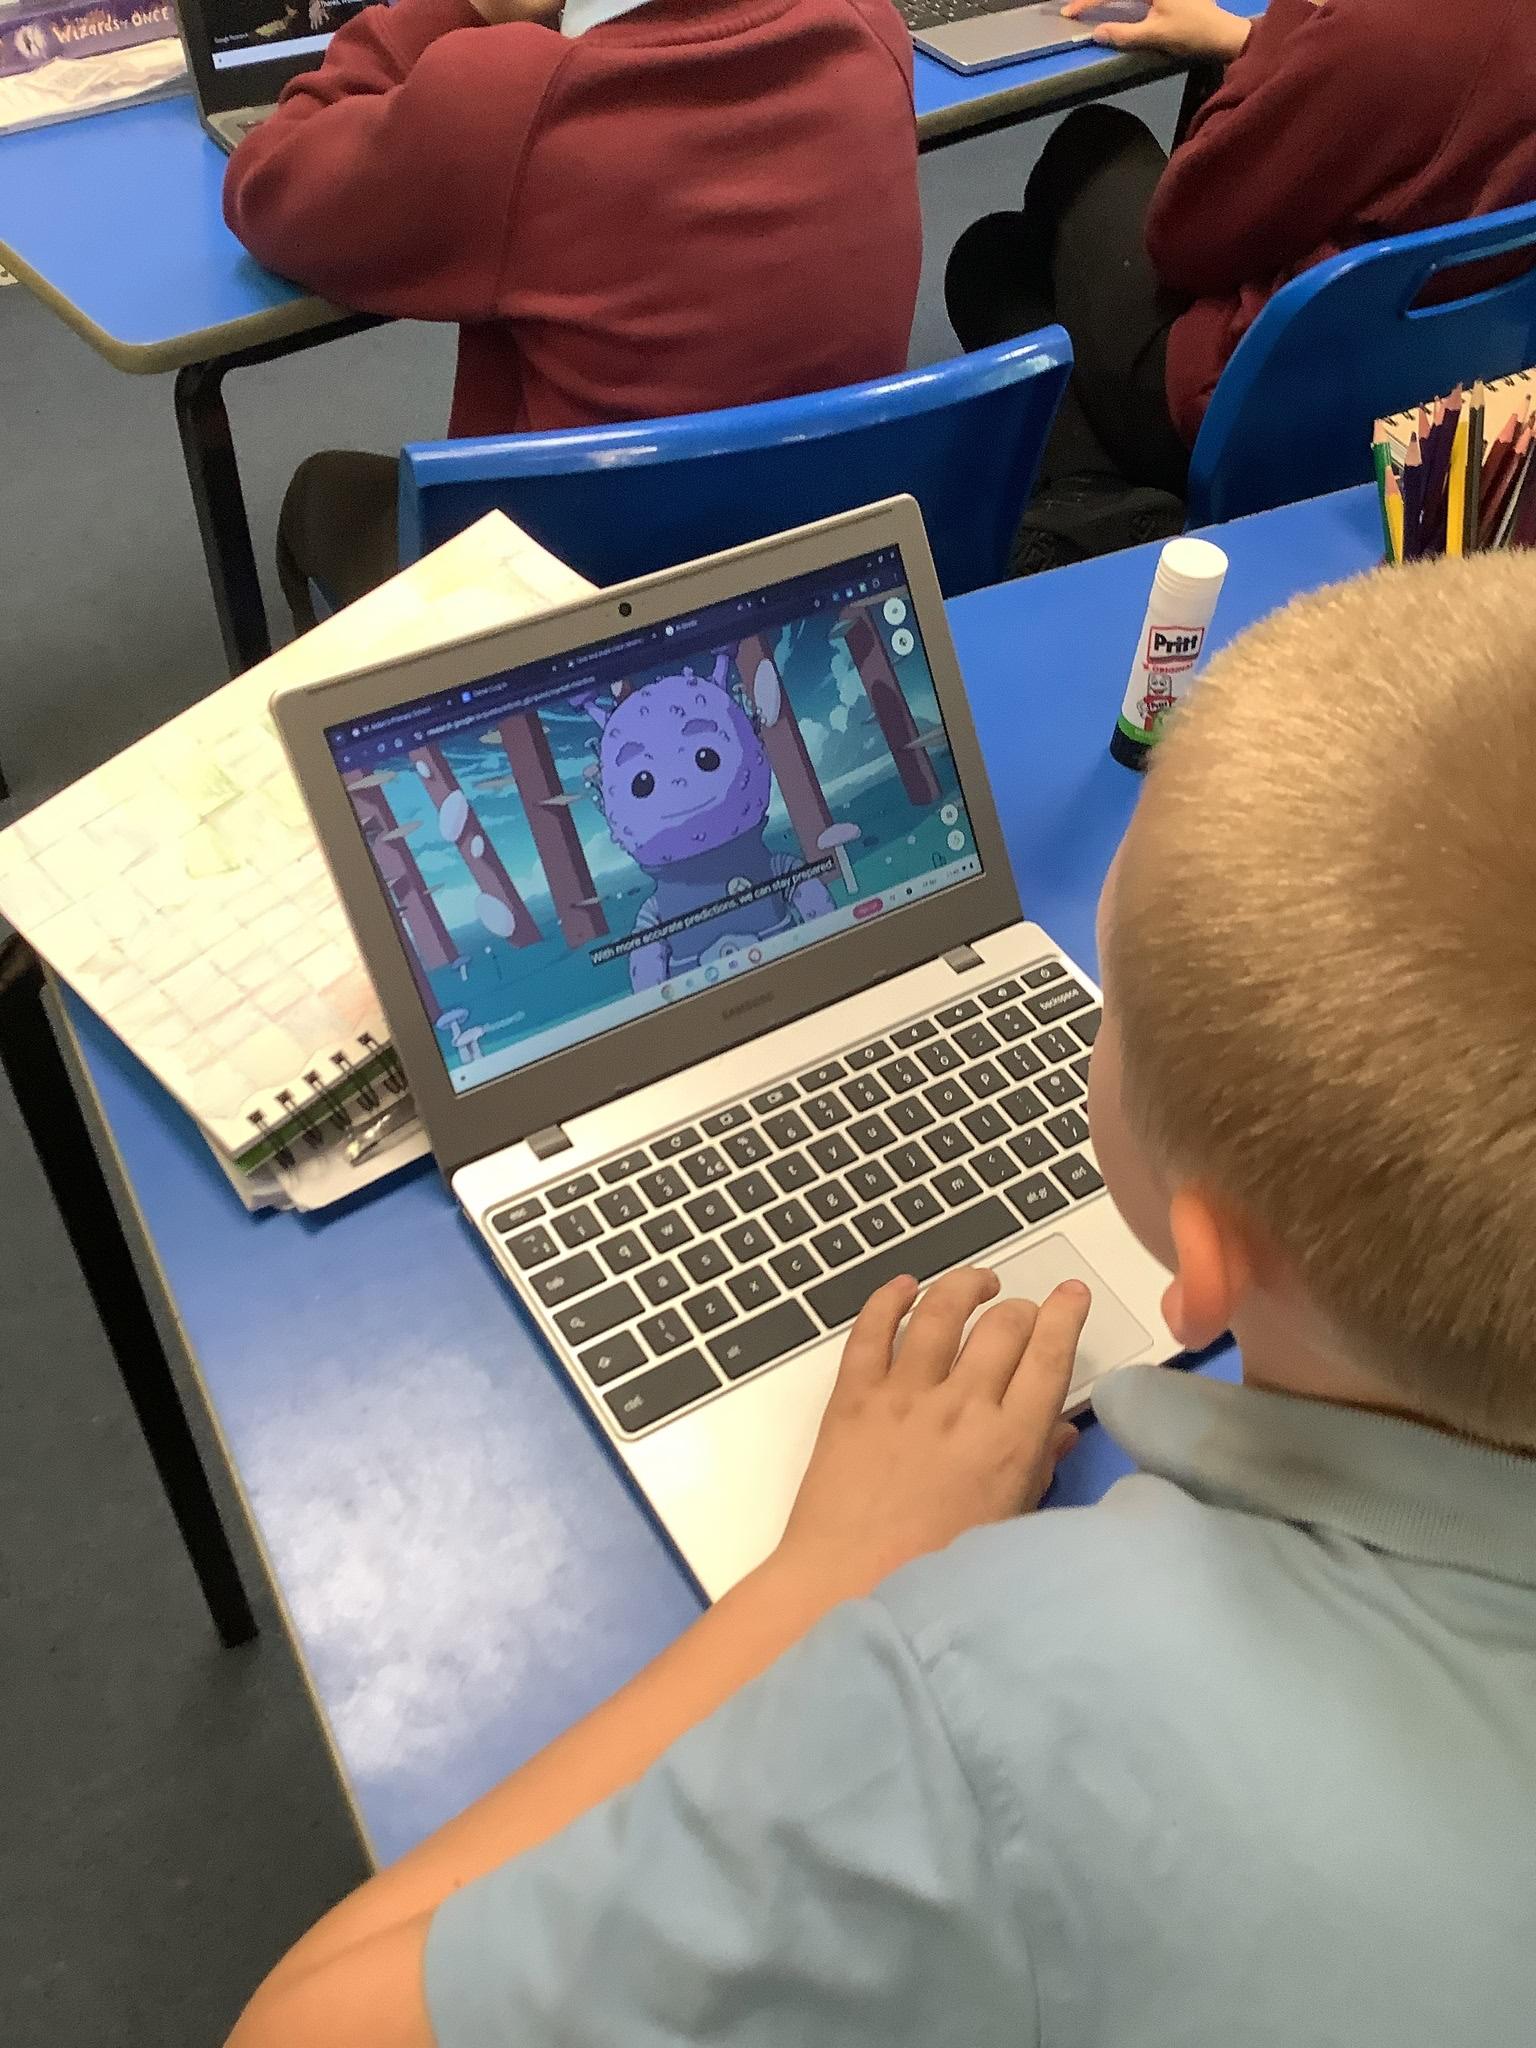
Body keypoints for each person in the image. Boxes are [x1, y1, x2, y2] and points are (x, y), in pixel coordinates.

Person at [226, 549, 1536, 2048]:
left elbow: (301, 2029)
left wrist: (836, 1567)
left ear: (1204, 1263)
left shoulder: (996, 1708)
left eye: (1107, 994)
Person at [222, 0, 922, 629]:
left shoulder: (503, 100)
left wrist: (459, 9)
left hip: (566, 629)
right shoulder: (871, 29)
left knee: (323, 492)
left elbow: (267, 184)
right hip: (828, 588)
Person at [945, 0, 1536, 563]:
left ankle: (1094, 496)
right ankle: (1092, 495)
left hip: (1250, 405)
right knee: (997, 259)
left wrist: (1292, 26)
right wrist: (1254, 39)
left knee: (1089, 146)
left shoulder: (1377, 33)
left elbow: (1185, 239)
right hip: (1442, 393)